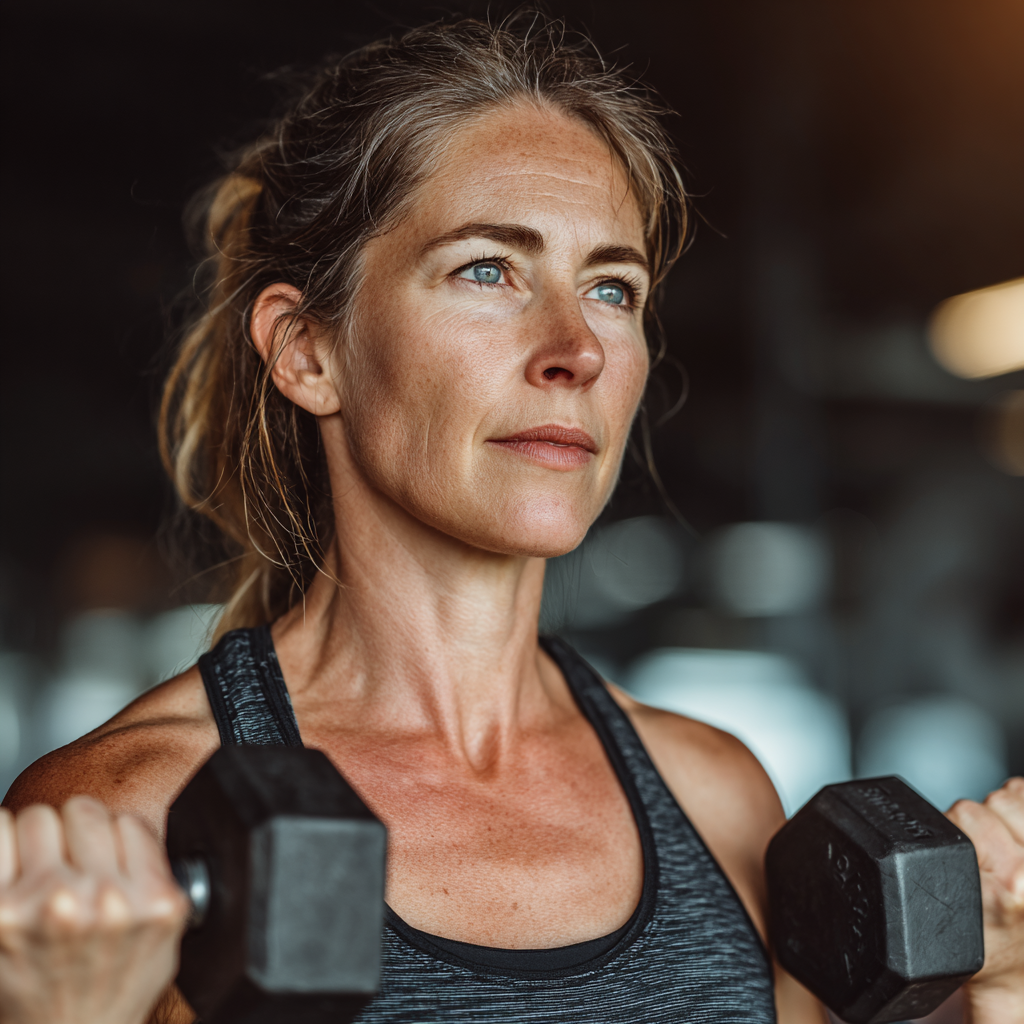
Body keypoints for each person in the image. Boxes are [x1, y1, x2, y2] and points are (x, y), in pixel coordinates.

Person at [1, 15, 1022, 1024]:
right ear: (308, 352)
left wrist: (1008, 993)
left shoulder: (715, 796)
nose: (573, 347)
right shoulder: (122, 818)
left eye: (611, 288)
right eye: (487, 269)